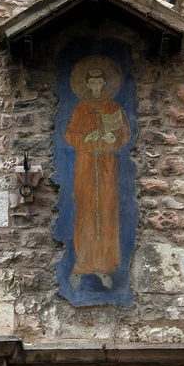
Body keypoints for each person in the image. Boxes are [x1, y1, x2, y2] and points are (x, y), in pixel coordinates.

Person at [65, 67, 131, 289]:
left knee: (106, 211)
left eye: (99, 82)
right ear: (87, 85)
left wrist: (115, 136)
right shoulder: (81, 108)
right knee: (85, 211)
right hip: (85, 163)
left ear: (104, 84)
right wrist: (86, 137)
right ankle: (82, 264)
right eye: (91, 83)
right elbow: (69, 135)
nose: (95, 86)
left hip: (106, 164)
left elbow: (125, 133)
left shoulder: (112, 107)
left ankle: (104, 266)